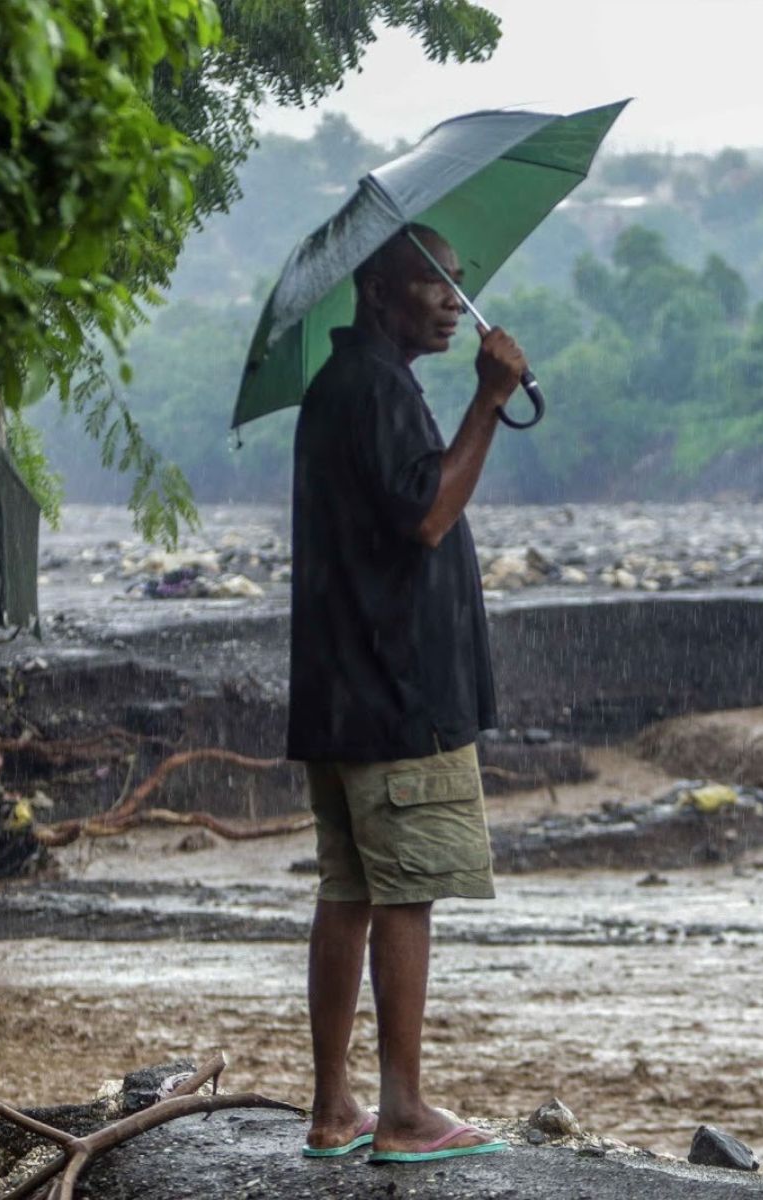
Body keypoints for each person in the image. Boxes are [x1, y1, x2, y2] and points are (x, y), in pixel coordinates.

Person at [286, 224, 527, 1164]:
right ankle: (405, 1112)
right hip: (397, 700)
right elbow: (430, 513)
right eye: (435, 284)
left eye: (459, 286)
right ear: (379, 291)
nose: (453, 303)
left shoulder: (340, 390)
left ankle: (331, 1107)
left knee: (347, 887)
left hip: (343, 696)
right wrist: (490, 400)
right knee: (407, 894)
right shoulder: (381, 392)